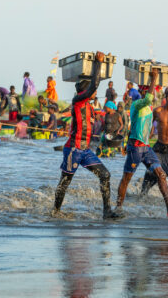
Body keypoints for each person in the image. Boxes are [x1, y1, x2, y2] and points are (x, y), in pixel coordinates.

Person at [52, 51, 119, 220]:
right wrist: (98, 63)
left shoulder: (89, 106)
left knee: (105, 175)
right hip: (73, 149)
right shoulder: (78, 101)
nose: (94, 92)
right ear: (84, 92)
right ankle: (56, 211)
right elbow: (94, 85)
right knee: (65, 182)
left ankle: (107, 212)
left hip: (86, 150)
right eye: (89, 90)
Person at [114, 70, 168, 218]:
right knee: (126, 178)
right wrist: (154, 78)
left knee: (161, 174)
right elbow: (148, 98)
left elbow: (135, 126)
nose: (151, 94)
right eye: (148, 90)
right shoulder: (138, 104)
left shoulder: (148, 107)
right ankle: (118, 208)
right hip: (135, 148)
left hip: (146, 148)